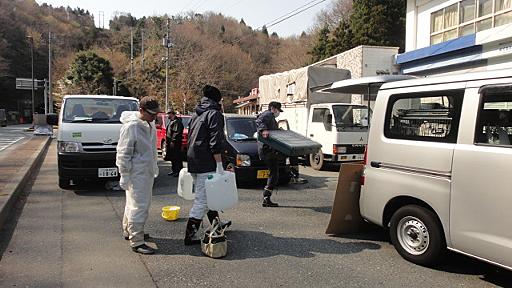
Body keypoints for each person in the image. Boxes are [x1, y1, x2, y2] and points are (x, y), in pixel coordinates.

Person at [185, 84, 231, 246]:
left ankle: (217, 224)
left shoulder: (196, 114)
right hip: (207, 161)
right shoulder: (214, 114)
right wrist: (219, 165)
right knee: (203, 200)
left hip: (194, 160)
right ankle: (190, 235)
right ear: (217, 100)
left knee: (210, 196)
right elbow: (215, 141)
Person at [116, 96, 160, 255]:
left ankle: (130, 231)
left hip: (145, 172)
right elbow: (123, 153)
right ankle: (137, 241)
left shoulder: (149, 124)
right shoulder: (132, 126)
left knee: (133, 204)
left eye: (156, 114)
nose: (154, 117)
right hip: (136, 173)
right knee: (139, 207)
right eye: (151, 114)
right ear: (141, 110)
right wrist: (124, 174)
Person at [256, 101, 284, 207]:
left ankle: (267, 197)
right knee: (274, 173)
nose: (278, 112)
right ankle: (266, 197)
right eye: (277, 110)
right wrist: (263, 130)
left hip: (269, 150)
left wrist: (278, 131)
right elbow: (259, 120)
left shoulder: (271, 118)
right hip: (267, 150)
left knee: (274, 173)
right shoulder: (267, 114)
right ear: (273, 108)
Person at [165, 108, 184, 176]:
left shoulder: (177, 122)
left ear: (171, 114)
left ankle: (178, 171)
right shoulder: (171, 121)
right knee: (172, 157)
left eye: (168, 114)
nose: (167, 115)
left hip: (176, 143)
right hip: (170, 143)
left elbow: (176, 133)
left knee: (177, 157)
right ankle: (174, 170)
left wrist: (173, 141)